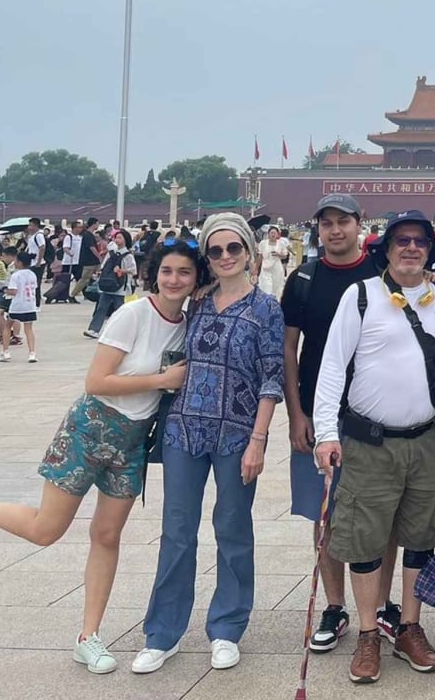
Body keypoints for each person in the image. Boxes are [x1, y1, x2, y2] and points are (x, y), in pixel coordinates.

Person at [0, 241, 200, 673]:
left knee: (107, 535)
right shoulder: (133, 314)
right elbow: (96, 381)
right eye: (167, 271)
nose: (175, 280)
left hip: (133, 440)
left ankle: (88, 637)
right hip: (90, 426)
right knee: (46, 530)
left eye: (185, 273)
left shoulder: (189, 323)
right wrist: (162, 379)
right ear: (155, 273)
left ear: (195, 280)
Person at [133, 214, 285, 675]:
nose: (223, 258)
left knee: (233, 528)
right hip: (184, 430)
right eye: (214, 251)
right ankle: (163, 632)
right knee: (177, 532)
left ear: (248, 252)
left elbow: (272, 378)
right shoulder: (195, 304)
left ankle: (226, 627)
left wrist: (259, 440)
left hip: (238, 434)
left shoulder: (265, 309)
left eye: (232, 249)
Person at [314, 210, 435, 682]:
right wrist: (326, 433)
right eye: (401, 241)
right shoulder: (360, 297)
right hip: (370, 441)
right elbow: (333, 366)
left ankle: (410, 626)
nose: (411, 248)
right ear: (386, 250)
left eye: (419, 241)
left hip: (427, 438)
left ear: (430, 250)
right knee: (365, 540)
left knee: (420, 538)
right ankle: (369, 634)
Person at [281, 195, 389, 655]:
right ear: (318, 230)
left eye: (343, 221)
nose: (335, 230)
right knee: (324, 513)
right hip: (317, 413)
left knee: (380, 514)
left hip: (372, 415)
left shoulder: (380, 276)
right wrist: (296, 414)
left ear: (359, 225)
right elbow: (289, 349)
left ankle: (381, 607)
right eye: (326, 223)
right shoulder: (303, 280)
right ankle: (335, 605)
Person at [85, 233, 137, 339]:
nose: (116, 240)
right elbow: (104, 266)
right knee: (101, 308)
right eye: (116, 238)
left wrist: (122, 271)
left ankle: (124, 331)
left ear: (125, 240)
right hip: (108, 285)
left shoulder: (128, 255)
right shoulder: (111, 253)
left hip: (120, 286)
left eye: (119, 238)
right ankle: (94, 330)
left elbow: (133, 270)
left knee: (120, 310)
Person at [2, 250, 40, 364]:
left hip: (17, 305)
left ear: (19, 262)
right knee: (28, 329)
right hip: (30, 305)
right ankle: (32, 353)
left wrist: (4, 289)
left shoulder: (16, 275)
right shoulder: (32, 274)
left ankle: (6, 351)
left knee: (8, 326)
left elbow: (13, 291)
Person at [72, 218, 104, 300]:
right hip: (89, 262)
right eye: (97, 224)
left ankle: (91, 293)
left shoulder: (89, 234)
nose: (98, 225)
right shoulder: (88, 235)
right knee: (84, 279)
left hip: (92, 261)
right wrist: (99, 257)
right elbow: (92, 248)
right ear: (94, 224)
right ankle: (72, 294)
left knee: (94, 278)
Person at [255, 225, 290, 297]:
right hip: (265, 269)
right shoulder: (263, 243)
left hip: (277, 269)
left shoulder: (281, 243)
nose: (273, 234)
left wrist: (279, 254)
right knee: (267, 288)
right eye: (271, 233)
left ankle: (274, 303)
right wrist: (256, 268)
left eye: (275, 233)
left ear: (277, 234)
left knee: (276, 288)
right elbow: (260, 256)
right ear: (268, 234)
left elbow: (285, 256)